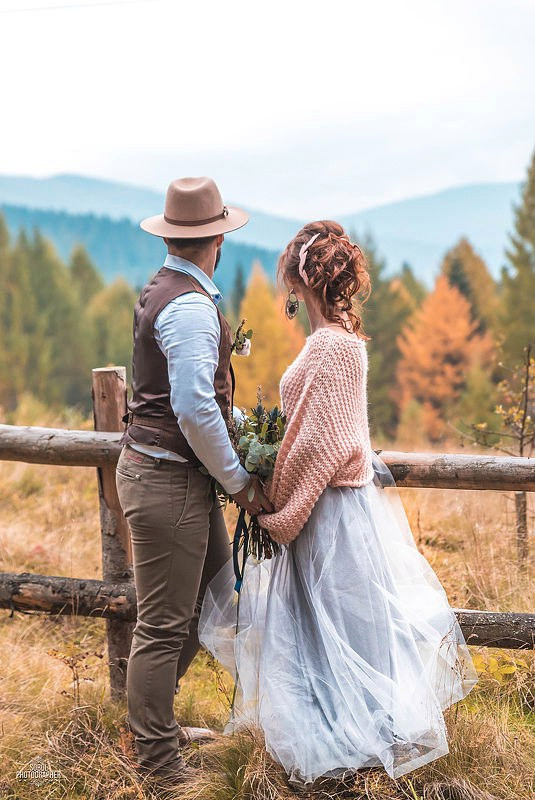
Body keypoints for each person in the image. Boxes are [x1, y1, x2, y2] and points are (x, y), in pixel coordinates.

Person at [198, 220, 479, 788]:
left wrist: (273, 500)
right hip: (326, 504)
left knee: (348, 623)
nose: (287, 290)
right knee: (323, 624)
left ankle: (354, 744)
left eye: (291, 279)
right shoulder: (336, 343)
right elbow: (311, 435)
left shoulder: (333, 348)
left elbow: (319, 446)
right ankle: (333, 737)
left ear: (303, 282)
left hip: (330, 511)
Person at [115, 176, 274, 788]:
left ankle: (154, 726)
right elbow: (191, 408)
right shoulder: (188, 306)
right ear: (216, 240)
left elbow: (193, 399)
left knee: (205, 606)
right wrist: (237, 478)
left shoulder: (170, 291)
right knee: (163, 625)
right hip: (169, 482)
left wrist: (245, 425)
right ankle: (157, 764)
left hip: (172, 477)